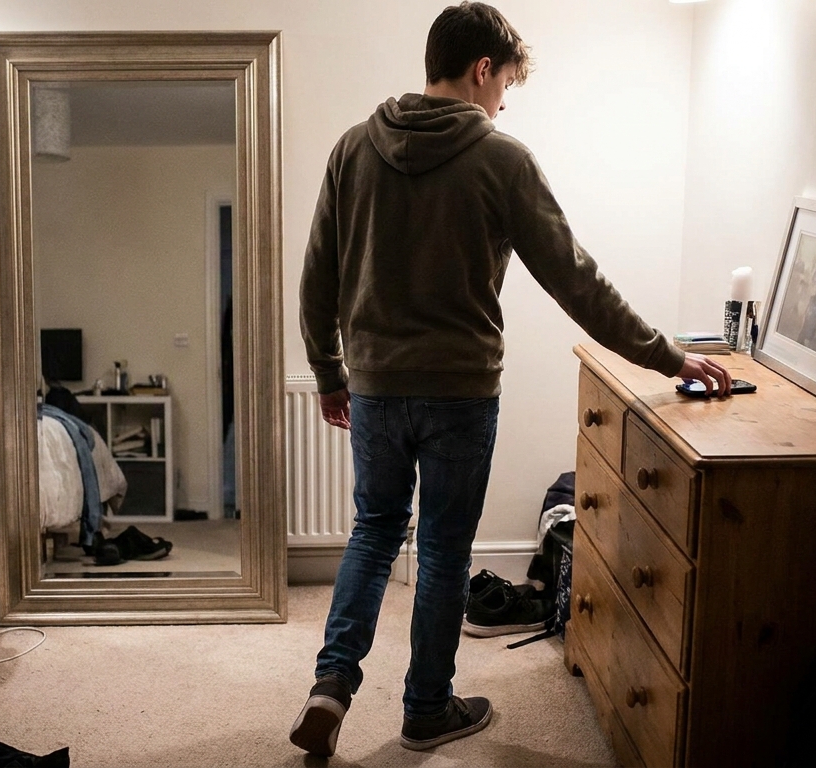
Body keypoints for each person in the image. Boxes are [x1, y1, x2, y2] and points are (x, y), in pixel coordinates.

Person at [290, 1, 732, 758]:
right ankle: (426, 709)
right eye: (504, 87)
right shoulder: (502, 159)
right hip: (461, 394)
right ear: (482, 68)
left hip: (375, 386)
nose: (502, 104)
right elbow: (575, 279)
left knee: (373, 532)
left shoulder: (352, 148)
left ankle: (331, 686)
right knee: (444, 550)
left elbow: (317, 277)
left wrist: (330, 371)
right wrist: (667, 356)